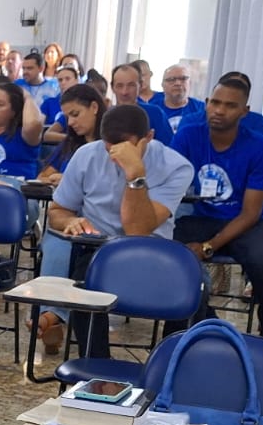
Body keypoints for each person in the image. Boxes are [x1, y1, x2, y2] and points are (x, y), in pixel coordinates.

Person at [47, 104, 193, 352]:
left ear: (149, 137)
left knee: (191, 291)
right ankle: (96, 368)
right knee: (84, 283)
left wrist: (135, 174)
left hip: (152, 251)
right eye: (108, 146)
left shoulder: (176, 166)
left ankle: (170, 365)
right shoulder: (86, 155)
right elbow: (56, 213)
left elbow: (137, 230)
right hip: (98, 249)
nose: (114, 154)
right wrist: (70, 221)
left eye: (125, 145)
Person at [168, 76, 263, 343]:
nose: (220, 110)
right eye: (215, 103)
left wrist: (208, 246)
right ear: (206, 104)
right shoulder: (188, 136)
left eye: (230, 106)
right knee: (170, 253)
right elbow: (168, 180)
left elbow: (251, 213)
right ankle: (202, 324)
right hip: (203, 217)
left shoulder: (261, 147)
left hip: (249, 223)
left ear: (244, 112)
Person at [109, 63, 174, 144]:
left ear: (140, 86)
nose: (124, 92)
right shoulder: (105, 116)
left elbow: (167, 150)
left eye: (131, 85)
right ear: (112, 88)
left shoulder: (155, 114)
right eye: (119, 86)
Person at [151, 64, 205, 132]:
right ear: (162, 85)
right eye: (171, 79)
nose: (178, 83)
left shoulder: (203, 109)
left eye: (183, 79)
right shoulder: (152, 110)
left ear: (190, 83)